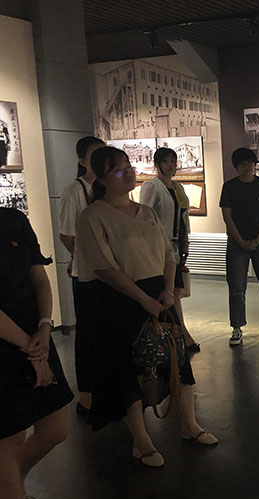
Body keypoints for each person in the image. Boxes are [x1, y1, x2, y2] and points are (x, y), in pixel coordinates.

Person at [77, 146, 216, 469]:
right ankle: (142, 441)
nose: (128, 173)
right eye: (118, 169)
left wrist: (167, 291)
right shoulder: (93, 216)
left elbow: (168, 254)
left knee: (178, 360)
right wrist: (144, 299)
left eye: (128, 166)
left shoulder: (146, 212)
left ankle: (189, 424)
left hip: (159, 295)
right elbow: (105, 269)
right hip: (122, 300)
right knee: (128, 369)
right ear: (101, 178)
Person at [0, 208, 72, 499]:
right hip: (13, 342)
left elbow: (39, 279)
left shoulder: (13, 219)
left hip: (35, 335)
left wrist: (45, 324)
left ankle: (10, 485)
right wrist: (31, 347)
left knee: (55, 428)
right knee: (8, 438)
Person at [58, 135, 105, 417]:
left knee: (107, 332)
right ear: (82, 160)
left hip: (110, 274)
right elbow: (66, 234)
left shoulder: (105, 188)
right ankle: (87, 395)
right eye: (95, 155)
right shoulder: (74, 191)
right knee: (88, 334)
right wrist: (82, 258)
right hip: (87, 275)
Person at [220, 148, 259, 345]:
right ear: (236, 167)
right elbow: (227, 217)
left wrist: (258, 239)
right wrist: (240, 240)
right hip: (236, 241)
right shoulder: (229, 187)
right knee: (236, 286)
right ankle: (237, 327)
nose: (247, 167)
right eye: (242, 164)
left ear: (255, 164)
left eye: (250, 163)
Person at [140, 147, 200, 352]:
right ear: (157, 164)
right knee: (169, 289)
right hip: (161, 245)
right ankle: (179, 334)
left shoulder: (178, 187)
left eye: (173, 161)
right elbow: (146, 217)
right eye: (165, 162)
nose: (170, 165)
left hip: (177, 244)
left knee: (175, 290)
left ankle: (180, 333)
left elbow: (184, 217)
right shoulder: (152, 186)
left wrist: (186, 240)